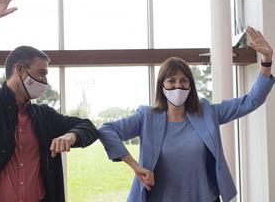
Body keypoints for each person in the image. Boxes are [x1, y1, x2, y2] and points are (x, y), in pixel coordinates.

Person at [0, 0, 98, 202]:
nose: (45, 80)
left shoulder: (44, 116)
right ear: (19, 69)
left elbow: (88, 127)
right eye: (41, 73)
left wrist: (71, 135)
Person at [98, 26, 274, 202]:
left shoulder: (207, 112)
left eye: (183, 81)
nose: (178, 86)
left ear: (190, 85)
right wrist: (134, 166)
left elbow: (251, 101)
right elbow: (106, 130)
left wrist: (266, 59)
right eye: (171, 81)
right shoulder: (146, 117)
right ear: (162, 85)